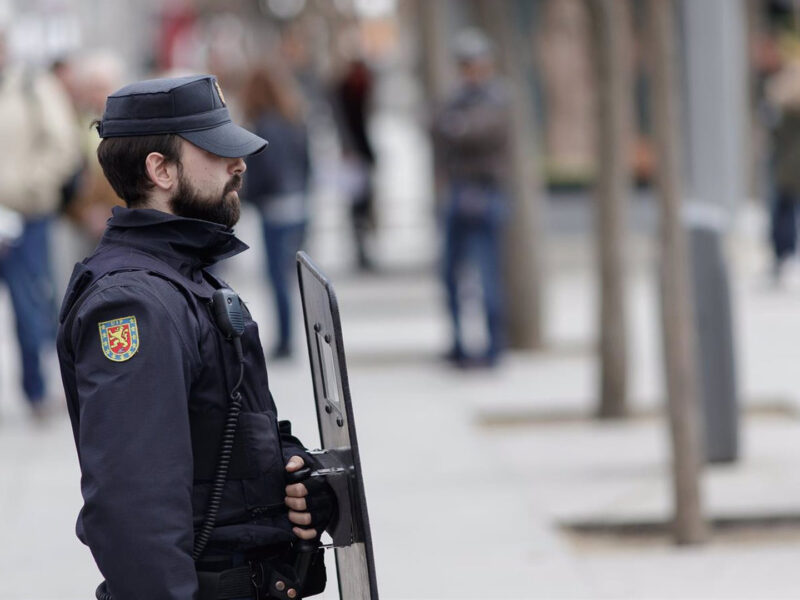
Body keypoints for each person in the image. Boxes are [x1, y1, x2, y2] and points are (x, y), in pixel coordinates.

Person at [56, 75, 333, 600]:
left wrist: (296, 477)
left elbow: (223, 436)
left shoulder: (184, 276)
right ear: (159, 170)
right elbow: (133, 508)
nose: (239, 164)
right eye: (216, 150)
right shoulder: (133, 304)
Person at [0, 34, 80, 418]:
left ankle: (36, 391)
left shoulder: (32, 86)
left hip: (26, 216)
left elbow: (63, 145)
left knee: (30, 305)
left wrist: (31, 186)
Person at [431, 29, 511, 368]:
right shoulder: (455, 99)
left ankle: (494, 350)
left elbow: (477, 133)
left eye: (473, 63)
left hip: (486, 194)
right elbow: (435, 125)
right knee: (450, 276)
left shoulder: (499, 98)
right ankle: (460, 346)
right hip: (458, 193)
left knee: (487, 276)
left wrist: (457, 127)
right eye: (464, 64)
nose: (469, 71)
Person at [241, 64, 311, 359]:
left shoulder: (264, 127)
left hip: (275, 209)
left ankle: (285, 340)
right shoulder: (294, 121)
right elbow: (308, 164)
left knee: (277, 278)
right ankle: (289, 336)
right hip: (299, 204)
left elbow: (263, 173)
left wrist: (246, 197)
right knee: (289, 276)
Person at [331, 58, 377, 271]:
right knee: (357, 206)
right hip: (353, 155)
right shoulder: (344, 91)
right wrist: (348, 149)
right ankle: (360, 249)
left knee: (365, 205)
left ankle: (364, 247)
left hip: (363, 153)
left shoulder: (362, 88)